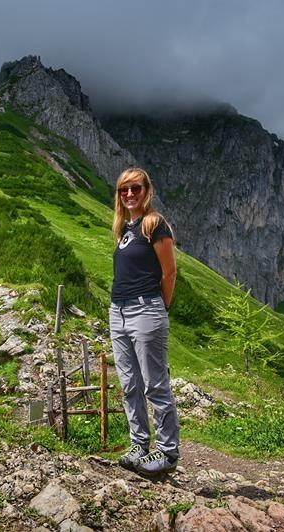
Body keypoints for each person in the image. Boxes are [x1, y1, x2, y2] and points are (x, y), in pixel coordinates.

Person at [110, 167, 179, 477]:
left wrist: (161, 307)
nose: (129, 194)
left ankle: (167, 451)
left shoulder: (154, 224)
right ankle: (139, 444)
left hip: (145, 309)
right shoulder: (125, 229)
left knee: (155, 384)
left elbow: (169, 272)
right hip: (118, 312)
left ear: (147, 191)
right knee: (129, 385)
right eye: (124, 189)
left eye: (135, 188)